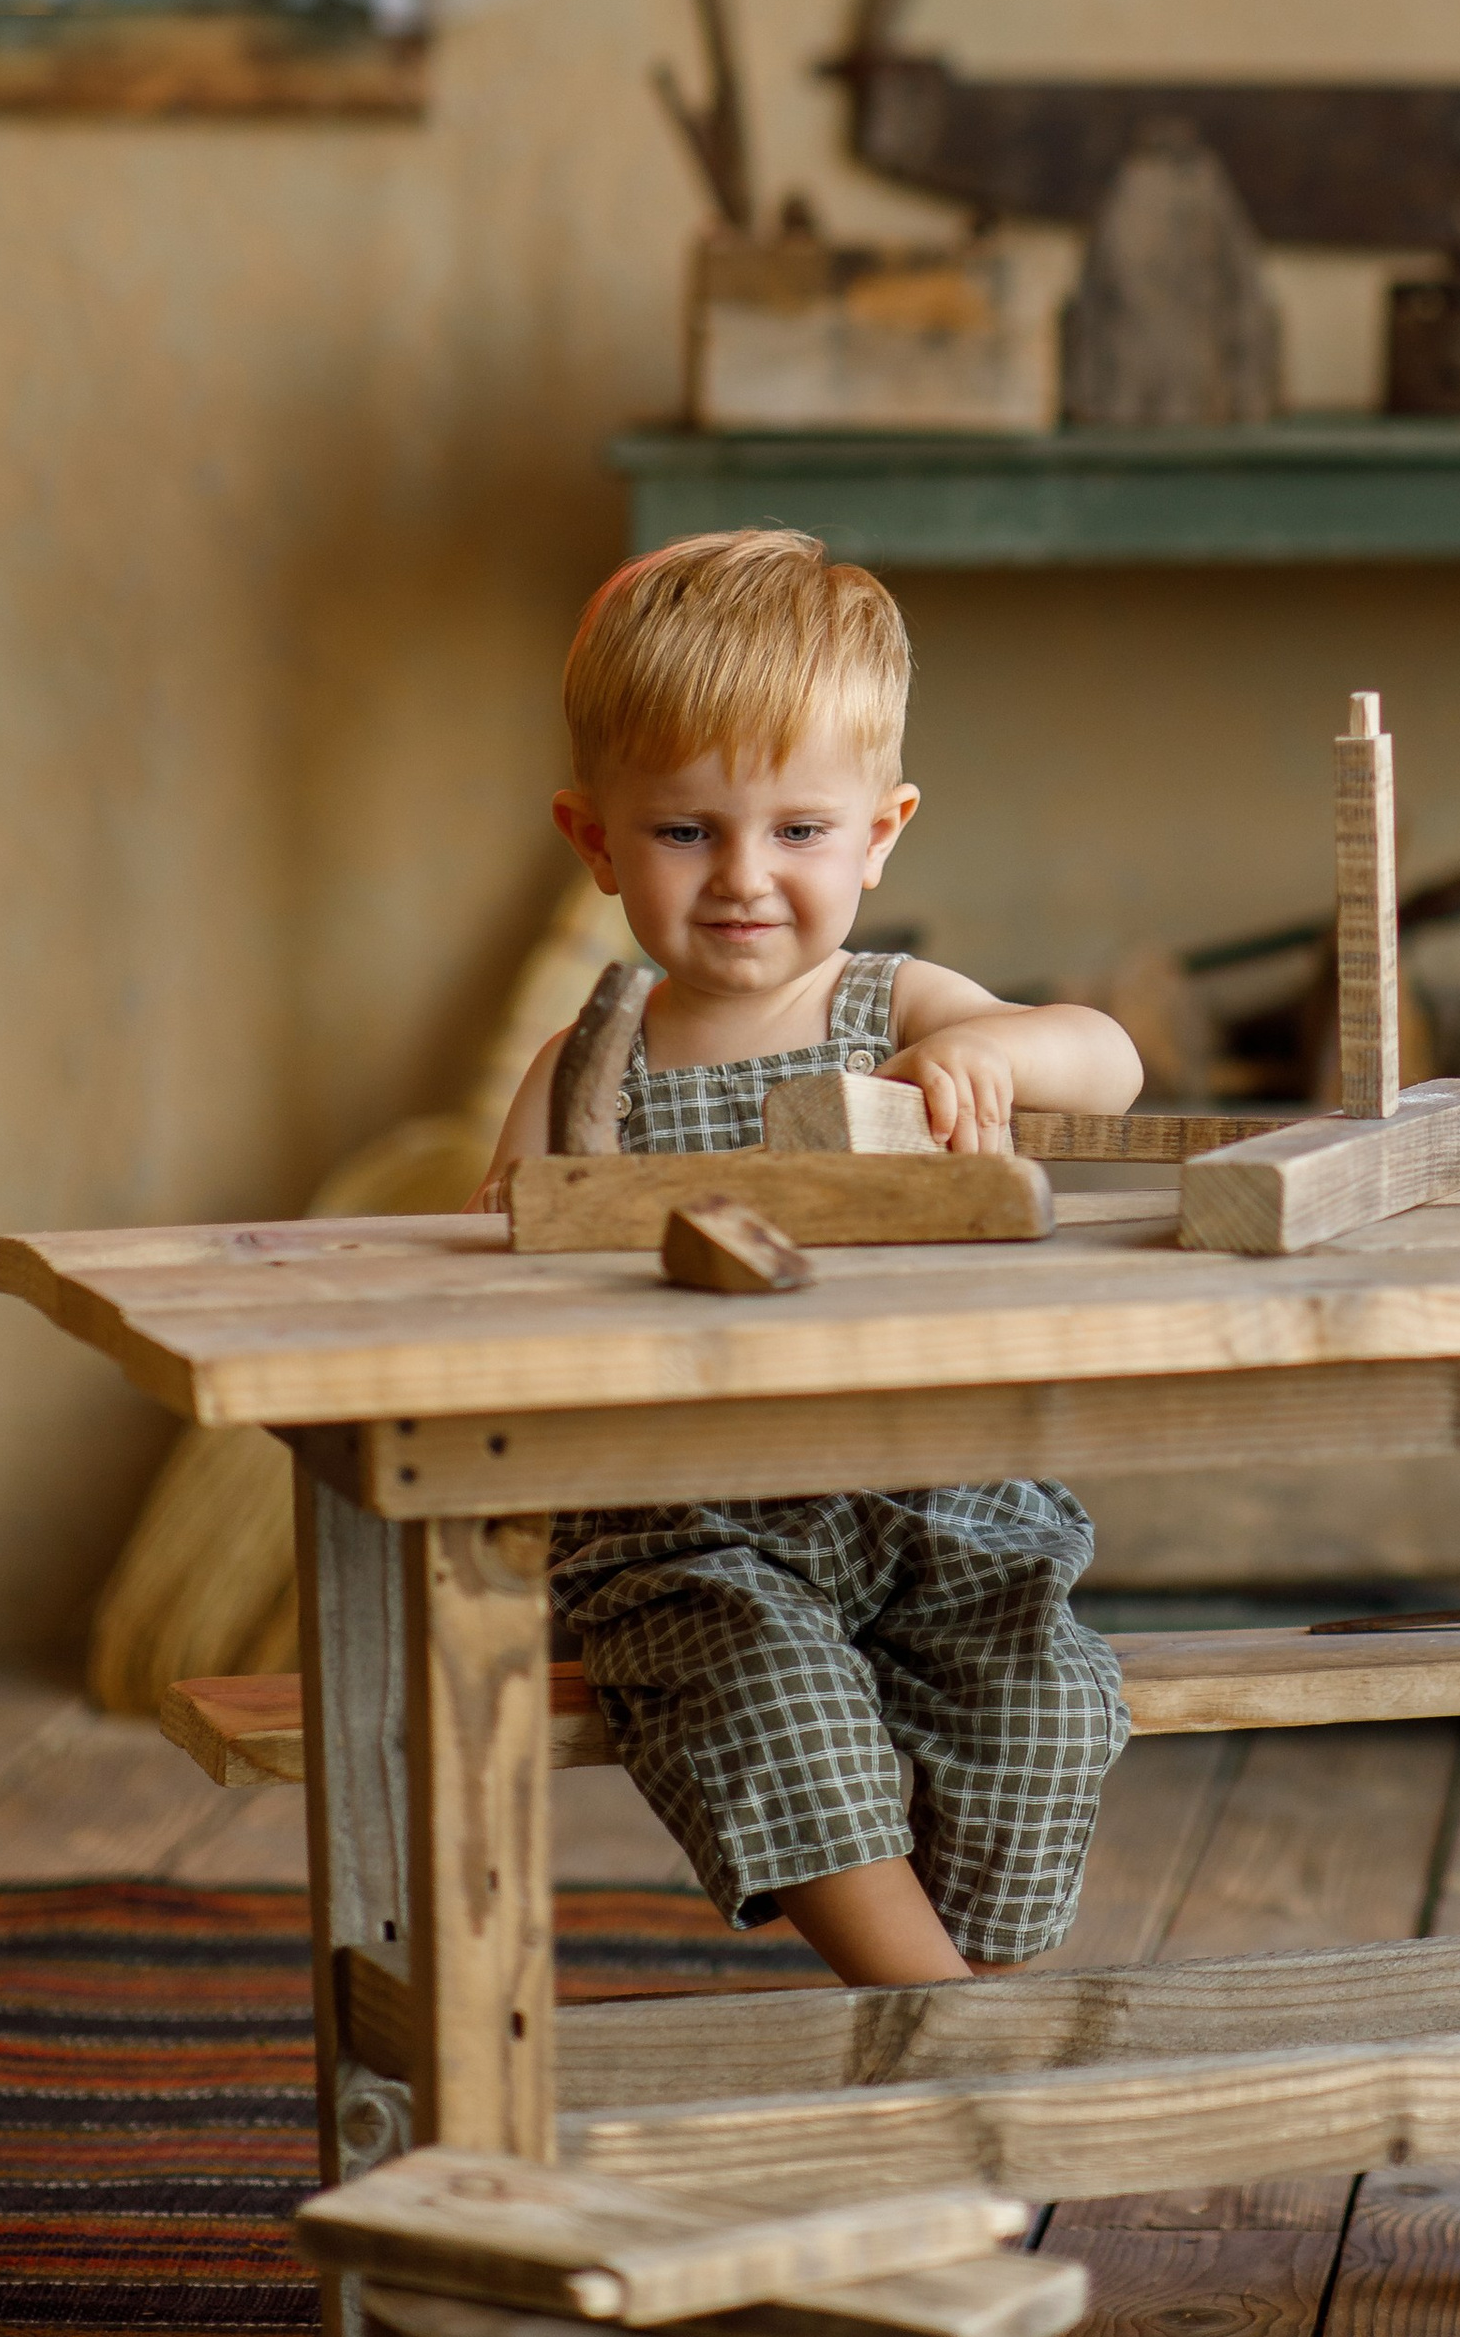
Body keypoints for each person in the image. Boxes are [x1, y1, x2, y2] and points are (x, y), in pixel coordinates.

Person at [479, 527, 1143, 1987]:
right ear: (593, 839)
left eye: (798, 831)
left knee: (1042, 1708)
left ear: (880, 833)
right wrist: (538, 1222)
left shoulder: (896, 1008)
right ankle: (943, 2028)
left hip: (937, 1492)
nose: (743, 877)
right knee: (767, 1707)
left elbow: (1110, 1058)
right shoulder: (595, 1065)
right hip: (689, 1514)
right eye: (684, 832)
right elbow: (501, 1250)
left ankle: (970, 2014)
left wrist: (991, 1052)